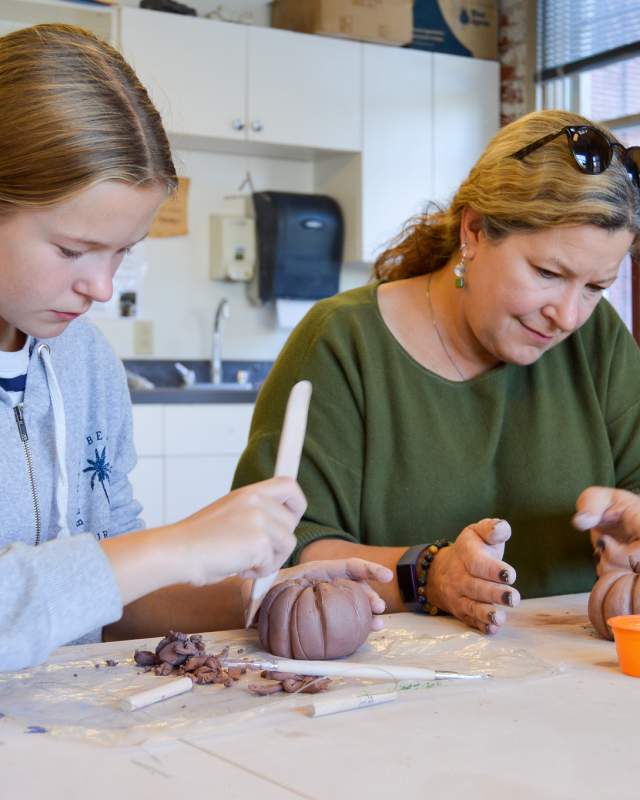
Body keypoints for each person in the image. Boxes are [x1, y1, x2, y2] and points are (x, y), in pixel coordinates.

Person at [0, 24, 391, 673]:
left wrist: (256, 594)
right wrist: (175, 546)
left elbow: (107, 595)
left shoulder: (84, 362)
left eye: (123, 251)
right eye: (72, 250)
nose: (100, 286)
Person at [233, 109, 640, 636]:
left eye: (595, 288)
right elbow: (279, 552)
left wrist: (629, 528)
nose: (567, 315)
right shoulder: (342, 341)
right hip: (388, 690)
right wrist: (428, 575)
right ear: (473, 230)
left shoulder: (597, 337)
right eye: (547, 273)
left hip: (571, 673)